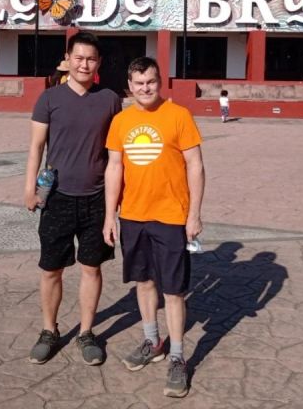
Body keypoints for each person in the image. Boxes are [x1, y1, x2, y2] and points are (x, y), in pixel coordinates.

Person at [103, 56, 205, 398]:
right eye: (138, 83)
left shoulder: (178, 115)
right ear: (129, 87)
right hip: (133, 216)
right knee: (144, 282)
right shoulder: (121, 121)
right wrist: (110, 215)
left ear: (160, 82)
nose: (145, 88)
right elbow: (114, 168)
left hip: (171, 217)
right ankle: (152, 341)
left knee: (173, 291)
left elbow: (195, 165)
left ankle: (177, 357)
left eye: (150, 82)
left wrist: (194, 214)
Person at [24, 32, 122, 367]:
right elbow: (36, 147)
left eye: (91, 59)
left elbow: (116, 154)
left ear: (99, 63)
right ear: (68, 59)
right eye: (78, 58)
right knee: (51, 269)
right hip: (58, 198)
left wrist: (116, 203)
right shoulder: (49, 98)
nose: (84, 64)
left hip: (96, 199)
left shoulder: (110, 99)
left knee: (91, 268)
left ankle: (86, 332)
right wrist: (29, 188)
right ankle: (49, 330)